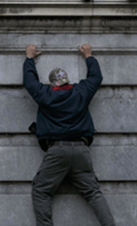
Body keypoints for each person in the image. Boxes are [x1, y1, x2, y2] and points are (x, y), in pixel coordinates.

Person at [23, 43, 115, 226]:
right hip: (81, 151)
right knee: (93, 192)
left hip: (57, 151)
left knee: (41, 191)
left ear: (53, 83)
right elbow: (96, 77)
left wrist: (29, 59)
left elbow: (29, 82)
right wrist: (89, 56)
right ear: (67, 80)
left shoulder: (45, 94)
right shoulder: (80, 91)